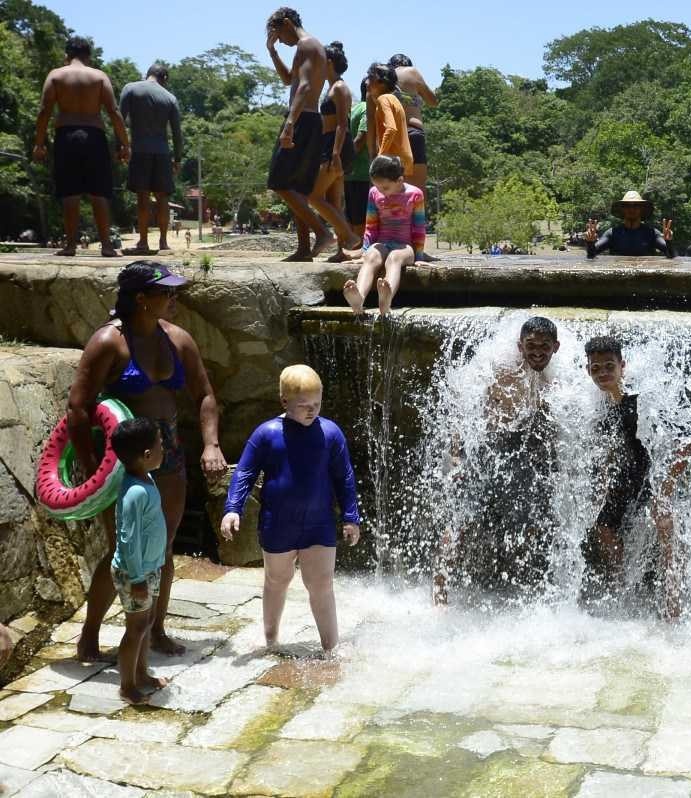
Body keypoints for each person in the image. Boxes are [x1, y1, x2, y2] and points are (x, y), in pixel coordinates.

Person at [67, 261, 227, 661]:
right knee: (121, 549)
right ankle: (89, 636)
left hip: (166, 447)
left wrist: (211, 445)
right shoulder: (109, 341)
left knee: (164, 544)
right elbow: (79, 407)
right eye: (167, 293)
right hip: (119, 453)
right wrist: (91, 469)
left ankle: (155, 630)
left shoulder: (178, 339)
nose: (174, 299)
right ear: (141, 298)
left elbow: (205, 395)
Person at [222, 365, 360, 654]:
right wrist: (233, 508)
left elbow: (344, 476)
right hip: (278, 523)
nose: (312, 412)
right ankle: (270, 637)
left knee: (321, 583)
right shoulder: (267, 433)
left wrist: (350, 517)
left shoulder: (330, 434)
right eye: (304, 406)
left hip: (318, 522)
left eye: (317, 405)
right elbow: (244, 472)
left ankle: (331, 647)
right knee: (277, 579)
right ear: (284, 401)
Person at [434, 317, 561, 604]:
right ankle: (439, 594)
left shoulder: (557, 379)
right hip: (485, 450)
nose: (537, 352)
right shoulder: (502, 370)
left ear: (556, 347)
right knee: (460, 521)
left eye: (544, 346)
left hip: (525, 454)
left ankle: (525, 593)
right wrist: (457, 451)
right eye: (531, 346)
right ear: (520, 345)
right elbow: (463, 402)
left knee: (532, 524)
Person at [581, 336, 691, 619]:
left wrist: (665, 489)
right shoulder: (604, 405)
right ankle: (621, 590)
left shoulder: (639, 401)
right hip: (631, 475)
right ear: (588, 371)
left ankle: (673, 606)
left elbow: (687, 442)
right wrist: (602, 482)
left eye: (610, 366)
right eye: (597, 368)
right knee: (604, 526)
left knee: (665, 526)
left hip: (658, 475)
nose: (603, 373)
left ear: (623, 366)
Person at [264, 7, 352, 262]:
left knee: (278, 181)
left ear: (288, 23)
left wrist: (290, 123)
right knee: (298, 189)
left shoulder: (307, 44)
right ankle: (304, 249)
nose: (280, 40)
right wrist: (272, 52)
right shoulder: (309, 47)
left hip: (302, 118)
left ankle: (322, 232)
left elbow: (302, 87)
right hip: (309, 119)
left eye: (278, 34)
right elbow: (288, 80)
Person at [32, 35, 131, 258]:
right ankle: (106, 245)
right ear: (88, 56)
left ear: (67, 55)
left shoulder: (56, 75)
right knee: (99, 192)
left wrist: (39, 143)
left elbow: (44, 111)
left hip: (66, 136)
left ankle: (70, 246)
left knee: (70, 193)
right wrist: (125, 143)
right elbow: (114, 112)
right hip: (95, 136)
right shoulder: (99, 77)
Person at [109, 418, 170, 704]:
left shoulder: (146, 478)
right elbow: (127, 540)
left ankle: (143, 673)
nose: (164, 448)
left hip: (149, 569)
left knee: (147, 622)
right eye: (161, 444)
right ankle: (127, 685)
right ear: (147, 455)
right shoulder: (134, 492)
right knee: (135, 629)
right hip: (135, 574)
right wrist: (136, 580)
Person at [342, 155, 426, 317]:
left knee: (394, 258)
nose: (381, 191)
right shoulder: (374, 193)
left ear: (400, 180)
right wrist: (365, 251)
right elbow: (371, 225)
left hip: (404, 246)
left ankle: (386, 300)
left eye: (385, 188)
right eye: (378, 187)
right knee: (372, 257)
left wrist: (419, 256)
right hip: (382, 242)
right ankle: (359, 298)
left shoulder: (415, 194)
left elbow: (419, 228)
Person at [304, 42, 360, 263]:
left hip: (336, 145)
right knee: (333, 201)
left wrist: (335, 153)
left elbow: (342, 124)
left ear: (328, 62)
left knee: (313, 196)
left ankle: (348, 235)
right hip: (329, 143)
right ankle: (341, 251)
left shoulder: (340, 88)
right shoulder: (330, 87)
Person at [119, 64, 182, 255]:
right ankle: (163, 242)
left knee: (143, 197)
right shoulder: (170, 98)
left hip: (140, 150)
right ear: (165, 79)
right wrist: (177, 158)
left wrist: (120, 147)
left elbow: (119, 120)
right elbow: (177, 134)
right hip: (162, 152)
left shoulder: (131, 88)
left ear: (147, 75)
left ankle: (144, 242)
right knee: (163, 197)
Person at [387, 54, 439, 195]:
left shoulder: (383, 78)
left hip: (392, 138)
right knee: (417, 191)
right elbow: (433, 101)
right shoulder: (411, 72)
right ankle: (418, 217)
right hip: (413, 133)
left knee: (394, 191)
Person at [586, 191, 674, 259]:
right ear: (622, 209)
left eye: (636, 205)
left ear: (641, 209)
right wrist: (590, 242)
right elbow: (591, 255)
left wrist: (669, 241)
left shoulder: (652, 233)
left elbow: (672, 256)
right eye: (627, 205)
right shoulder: (612, 233)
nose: (631, 209)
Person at [365, 63, 414, 175]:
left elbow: (391, 129)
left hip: (393, 159)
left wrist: (380, 157)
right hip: (402, 158)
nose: (366, 81)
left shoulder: (384, 99)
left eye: (370, 77)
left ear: (382, 83)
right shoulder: (393, 99)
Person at [343, 77, 371, 241]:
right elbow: (361, 138)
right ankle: (359, 252)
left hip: (349, 174)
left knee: (351, 216)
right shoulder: (368, 109)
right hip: (362, 173)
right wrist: (349, 159)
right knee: (360, 218)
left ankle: (348, 250)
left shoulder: (353, 109)